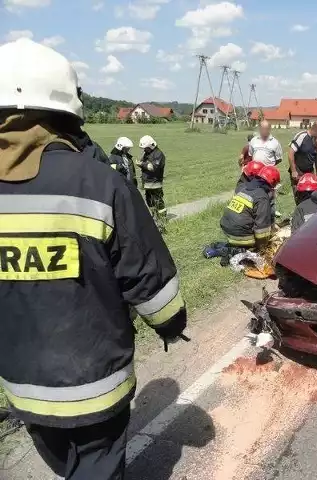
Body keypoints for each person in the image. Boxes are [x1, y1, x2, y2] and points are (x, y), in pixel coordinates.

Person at [0, 37, 188, 480]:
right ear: (67, 112)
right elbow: (151, 282)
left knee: (66, 465)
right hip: (97, 390)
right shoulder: (99, 184)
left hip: (23, 390)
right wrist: (172, 324)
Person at [220, 165, 281, 247]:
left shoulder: (244, 188)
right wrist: (263, 246)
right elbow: (262, 228)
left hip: (227, 230)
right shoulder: (262, 196)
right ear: (273, 182)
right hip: (241, 237)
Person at [288, 121, 317, 204]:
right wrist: (294, 171)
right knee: (299, 196)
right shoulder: (301, 136)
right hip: (298, 172)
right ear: (316, 130)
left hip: (309, 172)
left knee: (312, 196)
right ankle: (300, 212)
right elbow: (290, 153)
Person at [138, 134, 166, 221]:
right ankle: (155, 216)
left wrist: (142, 164)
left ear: (150, 146)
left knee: (158, 201)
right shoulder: (147, 153)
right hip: (147, 183)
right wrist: (141, 164)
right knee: (149, 201)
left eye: (145, 148)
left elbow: (153, 167)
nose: (144, 150)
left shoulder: (158, 154)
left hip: (155, 183)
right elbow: (145, 164)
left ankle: (163, 219)